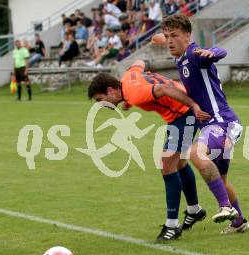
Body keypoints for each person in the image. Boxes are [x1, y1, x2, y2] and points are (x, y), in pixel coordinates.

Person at [87, 60, 211, 241]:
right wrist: (128, 101)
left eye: (100, 100)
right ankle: (194, 211)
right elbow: (141, 62)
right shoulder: (128, 76)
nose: (101, 104)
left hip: (184, 114)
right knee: (179, 162)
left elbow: (164, 90)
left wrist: (193, 106)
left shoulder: (134, 93)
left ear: (111, 91)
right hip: (179, 115)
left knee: (167, 164)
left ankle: (172, 226)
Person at [162, 14, 249, 234]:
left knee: (195, 153)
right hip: (216, 125)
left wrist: (213, 52)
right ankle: (239, 221)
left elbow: (220, 52)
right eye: (166, 37)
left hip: (222, 122)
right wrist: (160, 37)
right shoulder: (180, 57)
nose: (169, 40)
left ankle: (225, 207)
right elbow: (166, 37)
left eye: (174, 36)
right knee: (220, 179)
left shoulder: (194, 54)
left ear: (187, 36)